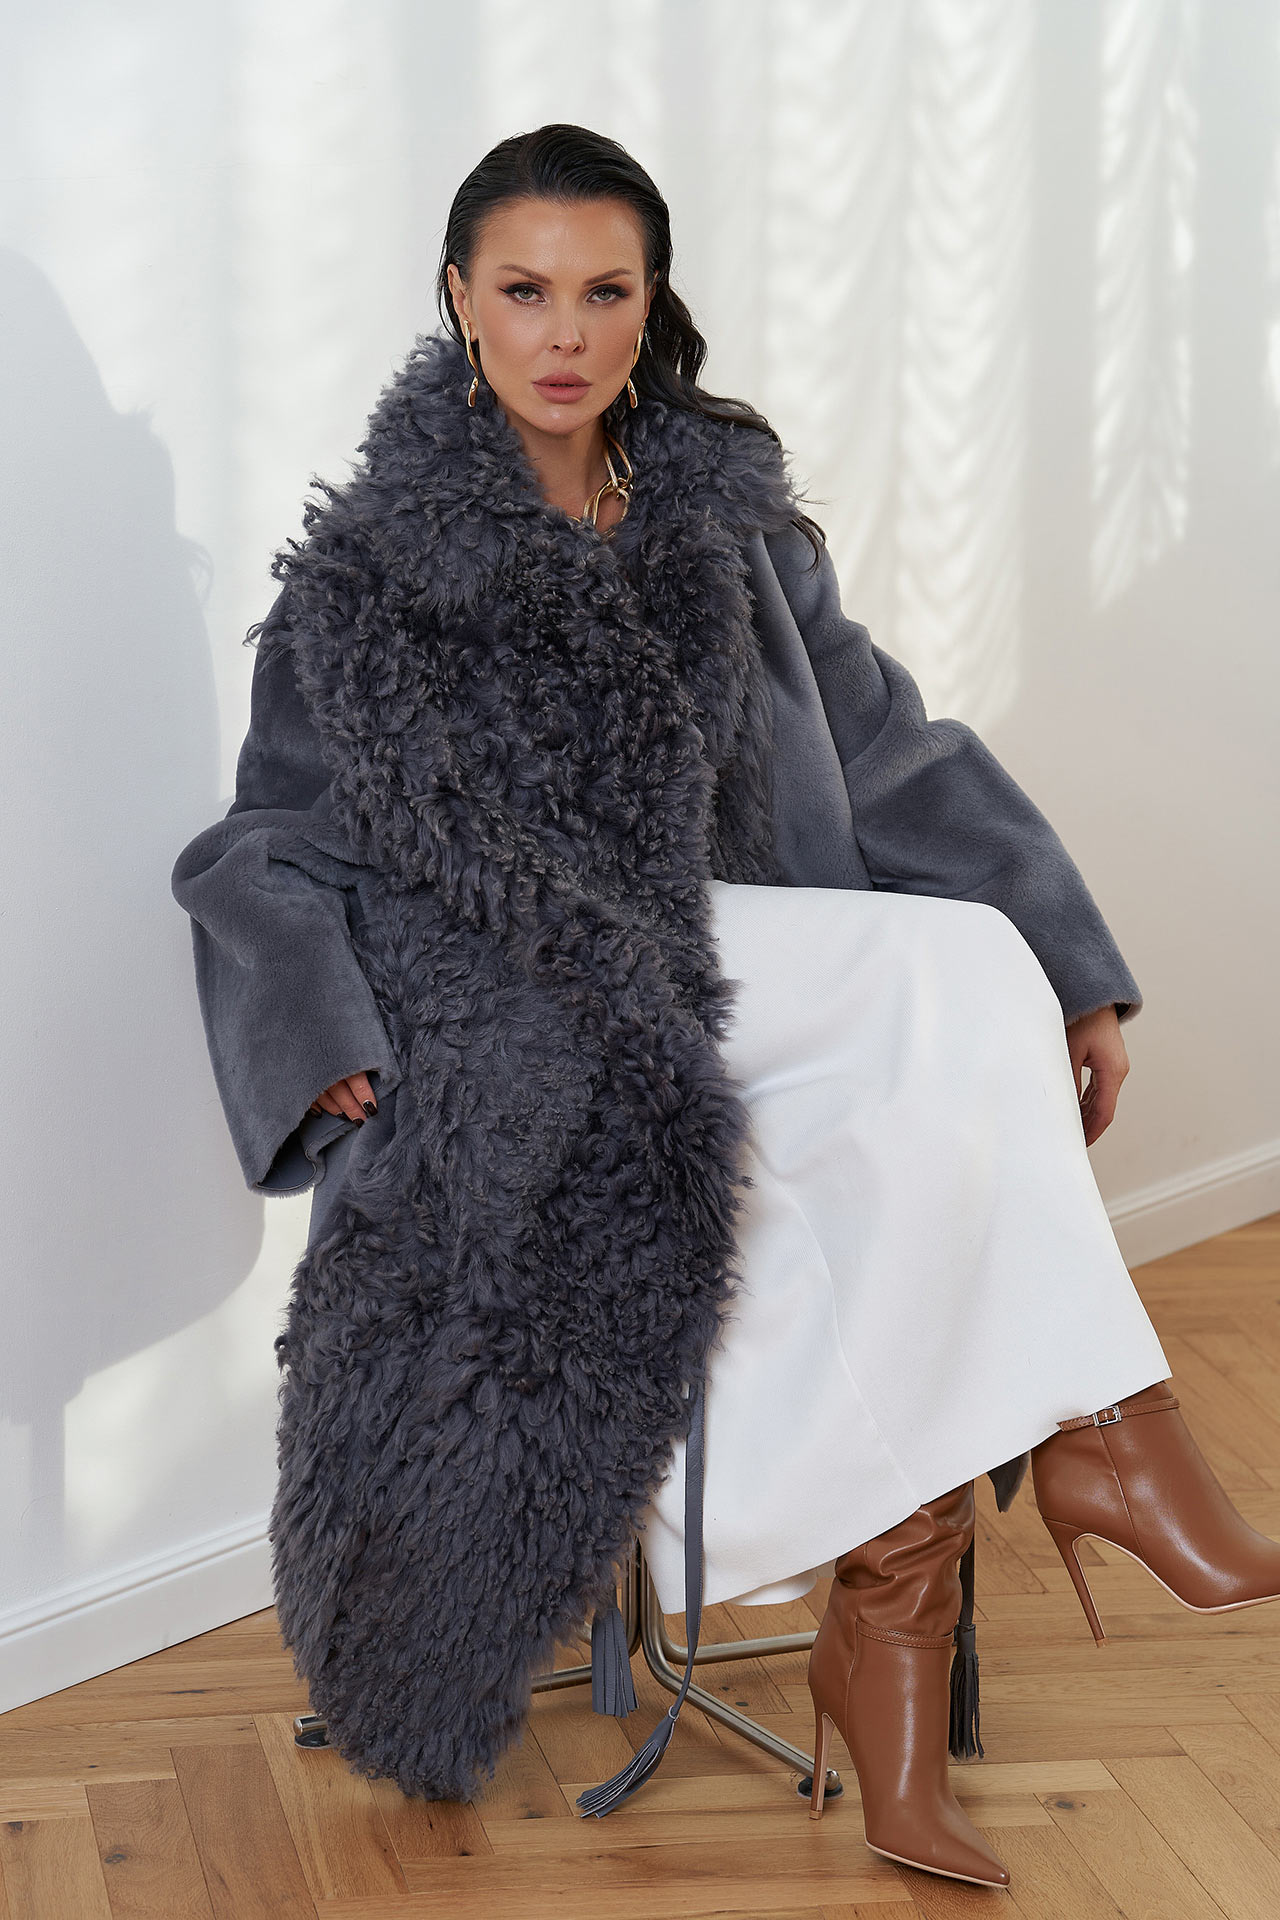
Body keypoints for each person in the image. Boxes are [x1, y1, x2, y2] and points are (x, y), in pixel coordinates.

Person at [171, 123, 1280, 1889]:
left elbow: (890, 751)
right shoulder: (370, 572)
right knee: (936, 1001)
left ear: (650, 304)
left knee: (926, 1092)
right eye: (525, 290)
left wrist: (1075, 971)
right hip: (522, 988)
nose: (564, 333)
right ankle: (1102, 1441)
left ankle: (895, 1634)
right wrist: (321, 1042)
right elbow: (262, 842)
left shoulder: (725, 524)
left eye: (603, 292)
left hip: (741, 967)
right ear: (460, 299)